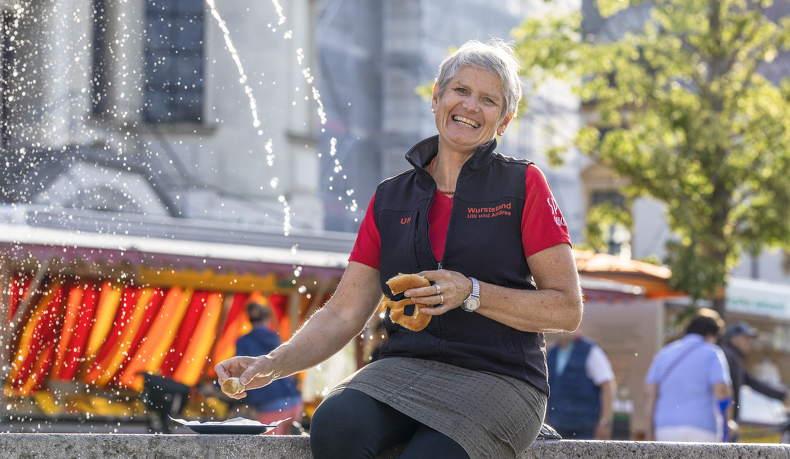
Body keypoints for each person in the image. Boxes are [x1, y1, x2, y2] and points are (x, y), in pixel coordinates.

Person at [216, 38, 582, 459]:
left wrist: (473, 293)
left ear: (504, 120)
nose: (469, 106)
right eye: (460, 90)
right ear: (436, 97)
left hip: (501, 378)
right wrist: (270, 365)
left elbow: (566, 308)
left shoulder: (524, 184)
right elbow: (343, 312)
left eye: (488, 100)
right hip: (402, 368)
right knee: (334, 423)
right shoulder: (389, 197)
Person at [644, 314, 733, 442]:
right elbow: (722, 391)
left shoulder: (664, 353)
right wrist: (727, 426)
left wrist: (650, 431)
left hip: (664, 427)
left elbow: (650, 393)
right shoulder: (712, 353)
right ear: (710, 334)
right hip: (702, 427)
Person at [234, 302, 303, 435]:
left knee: (269, 451)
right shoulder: (275, 338)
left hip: (270, 403)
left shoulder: (243, 341)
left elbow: (239, 372)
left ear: (249, 320)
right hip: (294, 399)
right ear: (267, 319)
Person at [546, 331, 616, 439]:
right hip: (555, 428)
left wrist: (605, 422)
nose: (563, 329)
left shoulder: (591, 351)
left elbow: (608, 387)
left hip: (585, 431)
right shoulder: (552, 352)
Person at [719, 321, 790, 424]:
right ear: (734, 339)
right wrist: (728, 420)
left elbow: (751, 382)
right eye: (746, 338)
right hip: (722, 420)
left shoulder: (733, 358)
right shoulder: (727, 357)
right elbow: (724, 391)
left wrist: (782, 395)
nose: (750, 342)